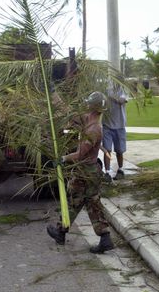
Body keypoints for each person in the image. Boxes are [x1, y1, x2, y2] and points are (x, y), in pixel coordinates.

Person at [47, 91, 114, 254]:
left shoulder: (94, 129)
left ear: (93, 106)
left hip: (86, 172)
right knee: (91, 203)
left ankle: (61, 232)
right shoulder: (89, 119)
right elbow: (70, 114)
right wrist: (54, 94)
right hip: (88, 171)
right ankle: (104, 238)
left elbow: (80, 154)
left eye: (88, 103)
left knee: (75, 201)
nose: (86, 105)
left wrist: (62, 159)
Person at [102, 79, 128, 180]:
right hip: (107, 125)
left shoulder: (123, 90)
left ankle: (120, 170)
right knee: (107, 150)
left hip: (120, 126)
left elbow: (122, 101)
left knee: (119, 151)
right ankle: (107, 172)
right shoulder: (105, 90)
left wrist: (111, 95)